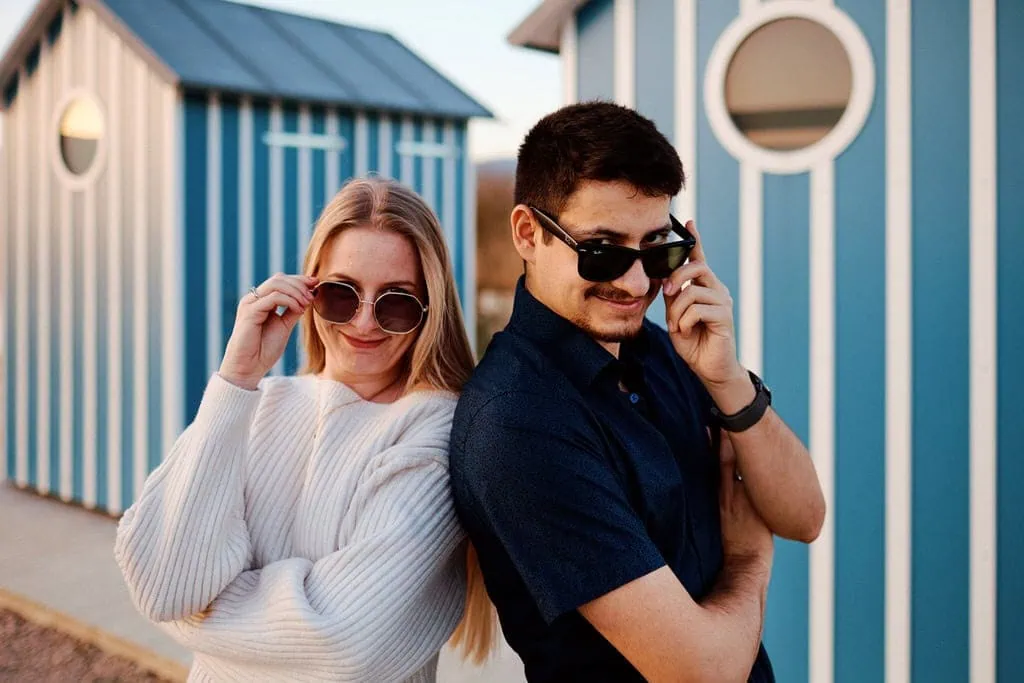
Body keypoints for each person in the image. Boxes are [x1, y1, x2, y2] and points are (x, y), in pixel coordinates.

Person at [449, 102, 826, 683]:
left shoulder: (671, 351)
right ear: (528, 233)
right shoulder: (517, 422)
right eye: (603, 251)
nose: (635, 282)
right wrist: (749, 556)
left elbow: (804, 515)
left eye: (657, 249)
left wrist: (727, 379)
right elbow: (702, 673)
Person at [115, 177, 495, 682]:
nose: (364, 322)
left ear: (430, 311)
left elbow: (341, 642)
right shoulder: (257, 403)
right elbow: (165, 585)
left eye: (396, 301)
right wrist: (237, 378)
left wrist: (204, 612)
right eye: (341, 294)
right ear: (308, 291)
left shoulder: (437, 431)